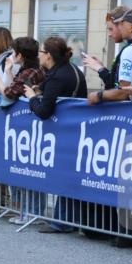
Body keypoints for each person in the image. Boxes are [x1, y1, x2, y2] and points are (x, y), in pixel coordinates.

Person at [26, 37, 88, 234]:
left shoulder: (58, 76)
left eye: (41, 52)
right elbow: (47, 90)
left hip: (67, 131)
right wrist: (39, 90)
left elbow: (44, 110)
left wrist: (32, 98)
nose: (38, 56)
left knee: (67, 175)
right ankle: (65, 219)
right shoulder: (70, 70)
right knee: (69, 175)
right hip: (75, 128)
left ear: (49, 56)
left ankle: (63, 222)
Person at [83, 6, 128, 89]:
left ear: (122, 25)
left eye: (111, 29)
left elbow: (118, 88)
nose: (109, 34)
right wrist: (101, 68)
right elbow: (114, 81)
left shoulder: (129, 50)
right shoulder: (127, 48)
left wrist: (100, 69)